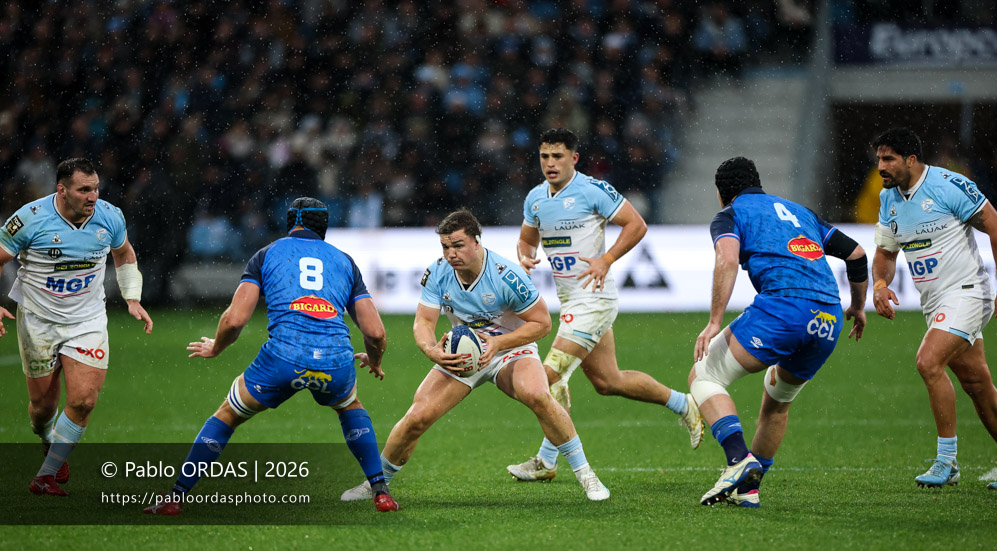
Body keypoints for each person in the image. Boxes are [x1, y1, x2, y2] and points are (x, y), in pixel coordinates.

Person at [143, 198, 399, 515]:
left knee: (227, 415)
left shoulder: (267, 254)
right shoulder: (345, 261)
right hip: (335, 361)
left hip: (283, 357)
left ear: (291, 222)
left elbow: (234, 320)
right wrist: (375, 360)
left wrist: (216, 347)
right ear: (324, 226)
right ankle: (381, 492)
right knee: (349, 407)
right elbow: (375, 332)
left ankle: (176, 498)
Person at [340, 208, 611, 502]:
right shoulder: (438, 273)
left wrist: (498, 343)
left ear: (477, 242)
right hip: (462, 353)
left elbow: (543, 323)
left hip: (511, 349)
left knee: (538, 395)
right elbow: (423, 322)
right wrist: (432, 350)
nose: (451, 253)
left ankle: (587, 476)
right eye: (445, 246)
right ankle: (376, 485)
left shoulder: (507, 276)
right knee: (417, 416)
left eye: (458, 245)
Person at [506, 128, 703, 484]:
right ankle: (684, 403)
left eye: (558, 156)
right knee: (607, 381)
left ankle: (546, 460)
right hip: (570, 299)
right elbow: (526, 238)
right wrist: (526, 256)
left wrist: (607, 258)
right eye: (545, 157)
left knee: (546, 378)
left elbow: (636, 224)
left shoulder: (592, 190)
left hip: (594, 300)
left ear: (574, 158)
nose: (550, 163)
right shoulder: (536, 198)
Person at [691, 156, 868, 507]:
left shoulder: (730, 214)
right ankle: (748, 491)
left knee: (704, 374)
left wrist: (714, 321)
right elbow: (857, 254)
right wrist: (858, 307)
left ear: (721, 193)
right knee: (777, 401)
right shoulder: (800, 212)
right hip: (828, 317)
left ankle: (739, 459)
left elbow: (727, 259)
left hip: (784, 307)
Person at [0, 157, 153, 496]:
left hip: (87, 319)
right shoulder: (30, 218)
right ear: (62, 190)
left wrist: (132, 297)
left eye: (95, 188)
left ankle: (46, 474)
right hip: (38, 319)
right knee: (42, 408)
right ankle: (47, 437)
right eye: (84, 190)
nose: (92, 196)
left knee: (83, 401)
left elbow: (125, 254)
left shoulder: (109, 216)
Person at [869, 128, 997, 491]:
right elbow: (884, 253)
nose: (881, 166)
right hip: (934, 302)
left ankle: (946, 461)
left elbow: (996, 227)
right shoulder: (888, 199)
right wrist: (880, 285)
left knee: (928, 362)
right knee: (977, 383)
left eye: (889, 158)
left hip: (968, 292)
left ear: (911, 159)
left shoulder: (948, 185)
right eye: (879, 158)